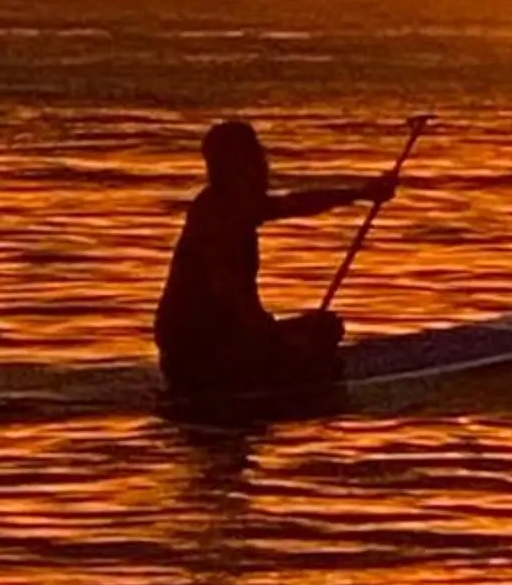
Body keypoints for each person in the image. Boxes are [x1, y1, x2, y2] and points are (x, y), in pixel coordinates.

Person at [153, 118, 398, 402]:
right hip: (202, 354)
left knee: (322, 327)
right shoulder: (217, 220)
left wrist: (361, 194)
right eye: (255, 161)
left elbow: (295, 203)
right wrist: (286, 343)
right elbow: (235, 301)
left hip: (214, 345)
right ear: (233, 170)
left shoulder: (234, 206)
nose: (264, 170)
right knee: (320, 334)